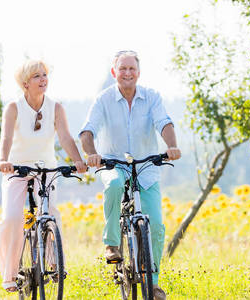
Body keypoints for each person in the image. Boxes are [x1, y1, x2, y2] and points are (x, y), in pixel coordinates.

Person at [79, 50, 181, 300]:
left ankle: (153, 284)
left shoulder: (152, 97)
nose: (127, 73)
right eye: (122, 69)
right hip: (114, 164)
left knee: (156, 225)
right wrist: (92, 154)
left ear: (138, 72)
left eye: (131, 69)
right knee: (113, 184)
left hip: (146, 168)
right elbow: (87, 131)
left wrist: (172, 146)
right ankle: (112, 243)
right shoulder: (103, 100)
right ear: (114, 72)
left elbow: (164, 123)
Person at [0, 59, 87, 292]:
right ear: (26, 83)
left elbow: (66, 137)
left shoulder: (56, 108)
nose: (43, 79)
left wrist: (77, 160)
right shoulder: (13, 108)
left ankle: (54, 264)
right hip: (17, 170)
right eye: (37, 76)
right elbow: (6, 138)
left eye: (45, 74)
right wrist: (3, 160)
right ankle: (10, 274)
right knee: (12, 218)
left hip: (46, 170)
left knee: (50, 213)